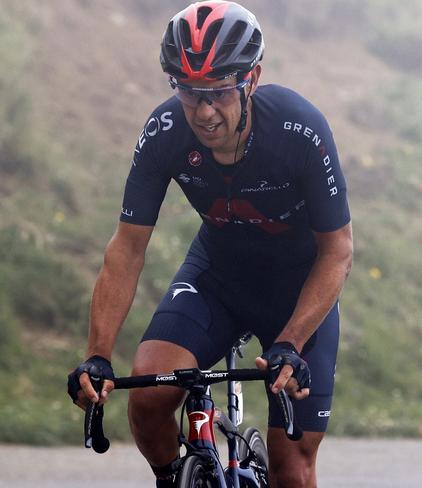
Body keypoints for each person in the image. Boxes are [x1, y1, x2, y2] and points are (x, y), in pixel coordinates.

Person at [66, 1, 353, 486]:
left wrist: (291, 343)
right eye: (189, 91)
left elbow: (338, 251)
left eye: (219, 92)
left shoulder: (299, 130)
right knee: (149, 400)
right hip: (216, 278)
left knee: (292, 464)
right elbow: (128, 248)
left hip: (297, 290)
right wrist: (98, 354)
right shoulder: (164, 133)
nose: (203, 111)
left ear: (252, 78)